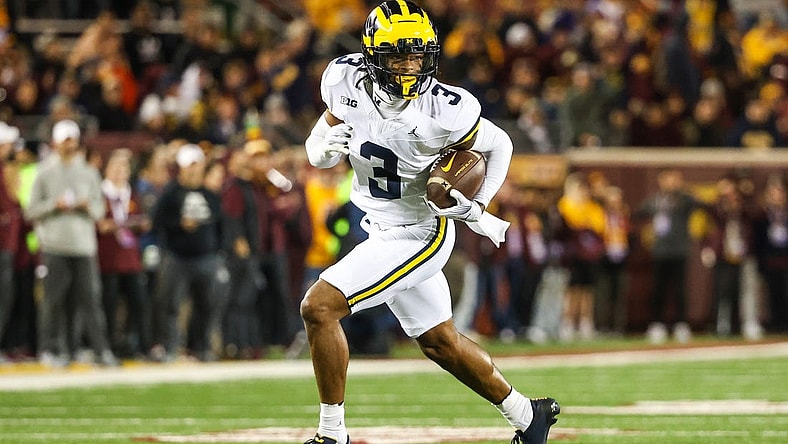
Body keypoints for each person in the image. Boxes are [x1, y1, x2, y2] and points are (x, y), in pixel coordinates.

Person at [298, 3, 559, 444]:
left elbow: (501, 144)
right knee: (440, 341)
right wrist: (320, 152)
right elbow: (318, 137)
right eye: (398, 55)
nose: (410, 65)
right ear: (371, 55)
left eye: (417, 55)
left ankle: (331, 435)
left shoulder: (446, 108)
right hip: (376, 225)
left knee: (319, 307)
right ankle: (527, 416)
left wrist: (477, 203)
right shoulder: (343, 79)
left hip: (422, 230)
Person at [25, 119, 117, 367]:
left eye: (72, 139)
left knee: (90, 300)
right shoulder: (44, 172)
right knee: (53, 302)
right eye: (64, 140)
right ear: (55, 142)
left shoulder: (88, 173)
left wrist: (88, 207)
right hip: (54, 246)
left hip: (84, 247)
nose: (68, 144)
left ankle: (100, 351)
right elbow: (31, 211)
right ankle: (51, 350)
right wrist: (55, 205)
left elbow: (99, 211)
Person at [150, 143, 224, 362]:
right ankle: (170, 347)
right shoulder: (170, 193)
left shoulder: (210, 195)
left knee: (206, 305)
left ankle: (201, 348)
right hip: (177, 256)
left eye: (197, 165)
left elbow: (220, 224)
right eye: (190, 165)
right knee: (170, 304)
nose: (193, 170)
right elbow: (157, 222)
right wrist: (179, 224)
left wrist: (218, 250)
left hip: (206, 257)